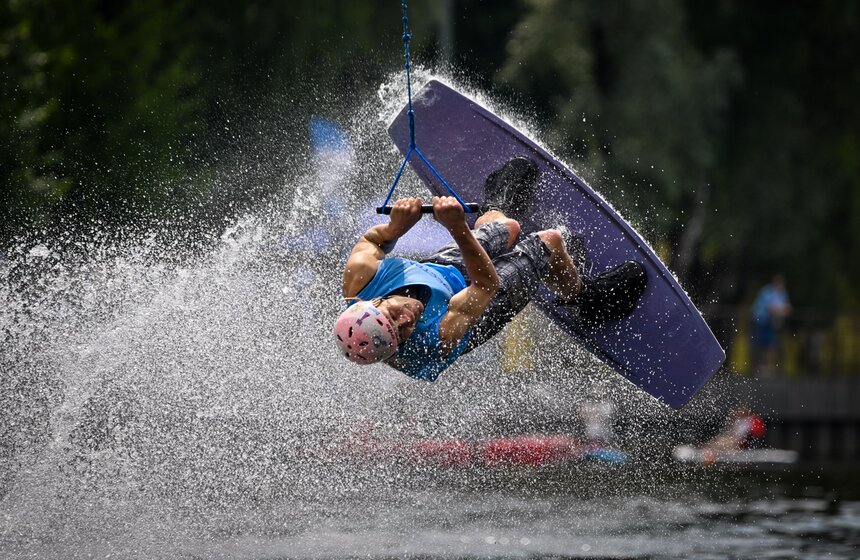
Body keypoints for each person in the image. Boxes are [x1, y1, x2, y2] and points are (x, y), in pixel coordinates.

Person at [333, 157, 648, 381]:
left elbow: (373, 239)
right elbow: (486, 285)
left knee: (507, 227)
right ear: (395, 348)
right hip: (477, 313)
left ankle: (498, 211)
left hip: (440, 273)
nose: (407, 318)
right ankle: (585, 299)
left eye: (394, 315)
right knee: (549, 242)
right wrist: (458, 228)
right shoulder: (433, 340)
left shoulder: (359, 279)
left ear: (374, 301)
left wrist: (396, 227)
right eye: (401, 332)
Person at [750, 274, 791, 376]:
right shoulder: (767, 291)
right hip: (761, 320)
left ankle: (767, 367)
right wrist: (780, 310)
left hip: (772, 323)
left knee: (771, 344)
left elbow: (787, 308)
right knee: (761, 344)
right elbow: (770, 308)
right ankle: (759, 367)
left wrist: (780, 310)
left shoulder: (782, 292)